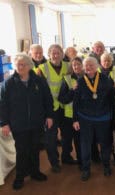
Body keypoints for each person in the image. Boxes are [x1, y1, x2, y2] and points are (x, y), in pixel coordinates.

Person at [0, 53, 53, 190]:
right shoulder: (9, 83)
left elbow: (48, 99)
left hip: (36, 122)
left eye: (23, 64)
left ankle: (35, 172)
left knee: (35, 148)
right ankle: (20, 176)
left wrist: (49, 116)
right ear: (14, 66)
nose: (20, 67)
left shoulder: (39, 81)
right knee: (22, 151)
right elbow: (2, 105)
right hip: (18, 124)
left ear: (30, 66)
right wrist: (4, 123)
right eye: (18, 64)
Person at [73, 57, 115, 181]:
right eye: (86, 66)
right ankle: (86, 169)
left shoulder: (105, 80)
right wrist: (75, 119)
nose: (89, 68)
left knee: (105, 144)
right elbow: (76, 102)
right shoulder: (80, 82)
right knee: (85, 145)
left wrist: (112, 117)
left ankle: (106, 166)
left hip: (103, 118)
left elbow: (111, 98)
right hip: (85, 119)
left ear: (97, 66)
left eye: (91, 65)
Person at [35, 44, 69, 173]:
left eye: (58, 52)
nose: (56, 55)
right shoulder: (41, 69)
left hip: (65, 107)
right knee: (50, 138)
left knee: (67, 135)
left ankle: (66, 157)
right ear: (49, 55)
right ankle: (54, 162)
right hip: (49, 109)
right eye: (53, 53)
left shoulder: (68, 66)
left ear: (62, 54)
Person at [58, 57, 84, 167]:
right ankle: (66, 158)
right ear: (72, 67)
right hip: (68, 116)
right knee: (67, 139)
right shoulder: (67, 79)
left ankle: (81, 161)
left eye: (79, 64)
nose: (77, 67)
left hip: (82, 115)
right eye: (74, 65)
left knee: (79, 140)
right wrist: (72, 90)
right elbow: (62, 99)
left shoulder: (86, 77)